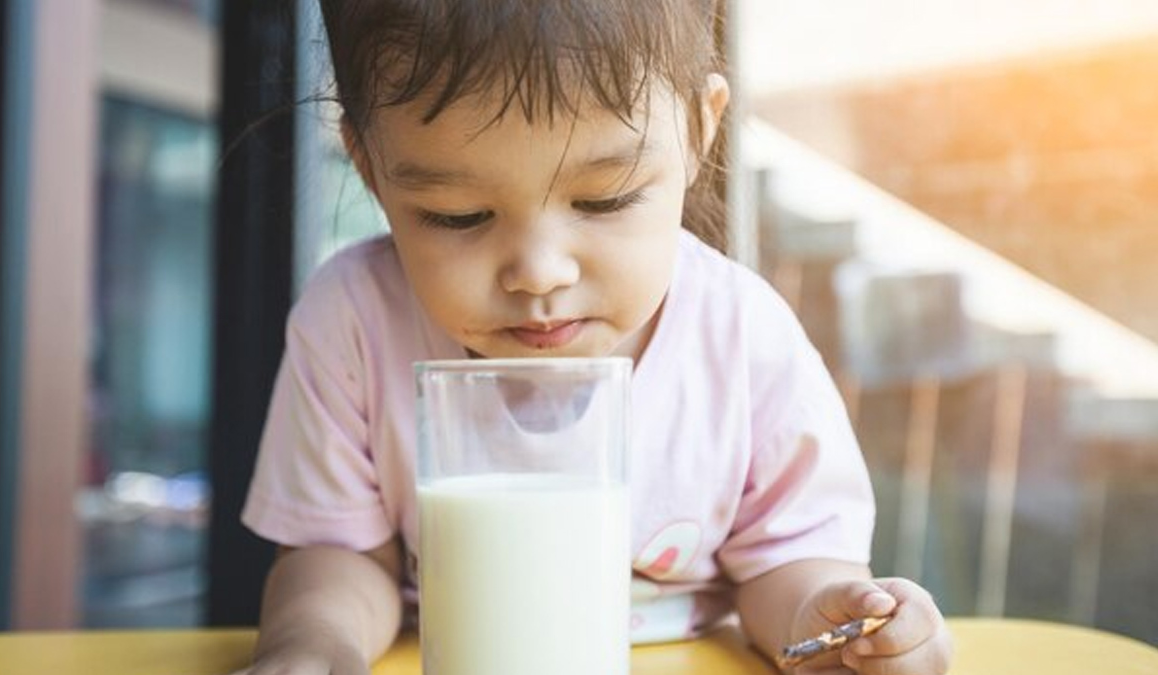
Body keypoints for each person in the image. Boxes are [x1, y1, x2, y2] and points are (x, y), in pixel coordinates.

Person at [235, 1, 953, 674]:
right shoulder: (354, 317)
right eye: (458, 215)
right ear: (368, 165)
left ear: (699, 130)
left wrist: (832, 617)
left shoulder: (742, 335)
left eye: (605, 199)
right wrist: (314, 644)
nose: (539, 272)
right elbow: (339, 553)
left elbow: (789, 562)